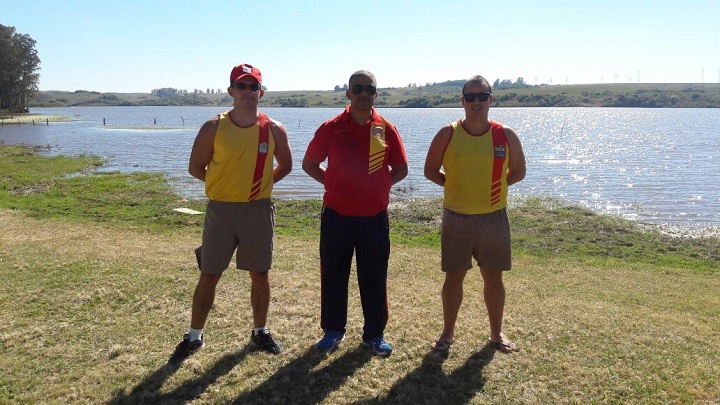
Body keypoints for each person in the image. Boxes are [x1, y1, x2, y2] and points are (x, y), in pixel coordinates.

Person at [172, 63, 292, 361]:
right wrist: (225, 187)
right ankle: (194, 336)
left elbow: (286, 166)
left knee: (260, 275)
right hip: (221, 211)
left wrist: (259, 188)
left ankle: (260, 331)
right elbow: (195, 168)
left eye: (254, 87)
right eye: (242, 86)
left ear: (261, 93)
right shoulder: (213, 127)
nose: (248, 92)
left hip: (258, 211)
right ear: (231, 91)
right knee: (209, 274)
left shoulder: (273, 129)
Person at [302, 70, 408, 356]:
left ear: (376, 94)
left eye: (369, 89)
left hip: (374, 217)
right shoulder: (331, 127)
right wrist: (334, 184)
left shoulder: (386, 128)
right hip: (337, 215)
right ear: (348, 93)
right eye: (357, 89)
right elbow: (310, 164)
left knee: (374, 277)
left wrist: (379, 185)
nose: (363, 94)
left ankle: (374, 334)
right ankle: (333, 331)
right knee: (334, 275)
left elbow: (401, 169)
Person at [424, 75, 526, 354]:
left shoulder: (505, 134)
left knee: (494, 278)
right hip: (456, 218)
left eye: (483, 96)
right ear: (462, 101)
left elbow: (518, 172)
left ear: (491, 99)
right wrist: (455, 186)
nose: (477, 102)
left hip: (494, 217)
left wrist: (493, 188)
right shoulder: (448, 133)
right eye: (471, 97)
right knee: (453, 278)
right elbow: (430, 171)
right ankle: (447, 333)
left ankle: (496, 334)